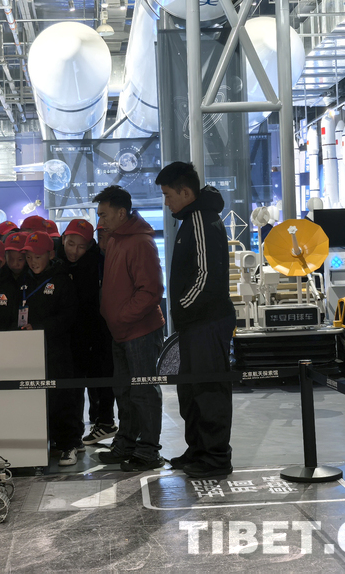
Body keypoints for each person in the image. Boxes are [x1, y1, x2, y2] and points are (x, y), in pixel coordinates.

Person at [156, 162, 236, 478]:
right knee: (191, 390)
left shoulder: (201, 219)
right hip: (195, 323)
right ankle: (199, 450)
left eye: (168, 194)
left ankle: (216, 458)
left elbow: (206, 274)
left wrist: (182, 307)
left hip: (207, 322)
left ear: (186, 192)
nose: (166, 202)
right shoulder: (191, 219)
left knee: (209, 390)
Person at [93, 185, 166, 472]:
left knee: (143, 392)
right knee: (124, 391)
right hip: (121, 331)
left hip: (140, 331)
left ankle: (148, 450)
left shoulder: (140, 242)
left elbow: (151, 291)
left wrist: (122, 317)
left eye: (104, 214)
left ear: (122, 213)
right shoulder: (115, 240)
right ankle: (126, 443)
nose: (100, 221)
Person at [20, 231, 83, 467]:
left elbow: (69, 316)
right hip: (28, 350)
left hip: (56, 349)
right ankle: (44, 443)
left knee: (61, 396)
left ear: (51, 254)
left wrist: (40, 328)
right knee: (35, 397)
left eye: (38, 257)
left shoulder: (62, 280)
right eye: (28, 257)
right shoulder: (23, 280)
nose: (33, 262)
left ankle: (69, 444)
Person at [58, 219, 118, 446]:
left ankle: (104, 421)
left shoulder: (96, 262)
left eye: (81, 246)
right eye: (71, 244)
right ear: (63, 239)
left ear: (90, 245)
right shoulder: (56, 262)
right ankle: (71, 434)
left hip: (95, 330)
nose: (74, 251)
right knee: (71, 386)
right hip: (66, 334)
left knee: (99, 377)